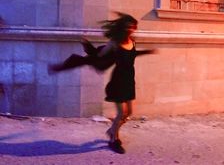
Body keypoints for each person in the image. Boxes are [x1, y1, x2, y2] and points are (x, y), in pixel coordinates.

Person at [48, 12, 156, 154]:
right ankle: (113, 140)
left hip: (130, 79)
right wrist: (87, 45)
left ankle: (112, 130)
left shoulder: (133, 41)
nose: (132, 29)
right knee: (120, 114)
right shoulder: (114, 44)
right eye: (129, 27)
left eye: (133, 27)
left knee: (129, 113)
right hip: (118, 80)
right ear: (123, 27)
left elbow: (133, 54)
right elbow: (99, 55)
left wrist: (147, 52)